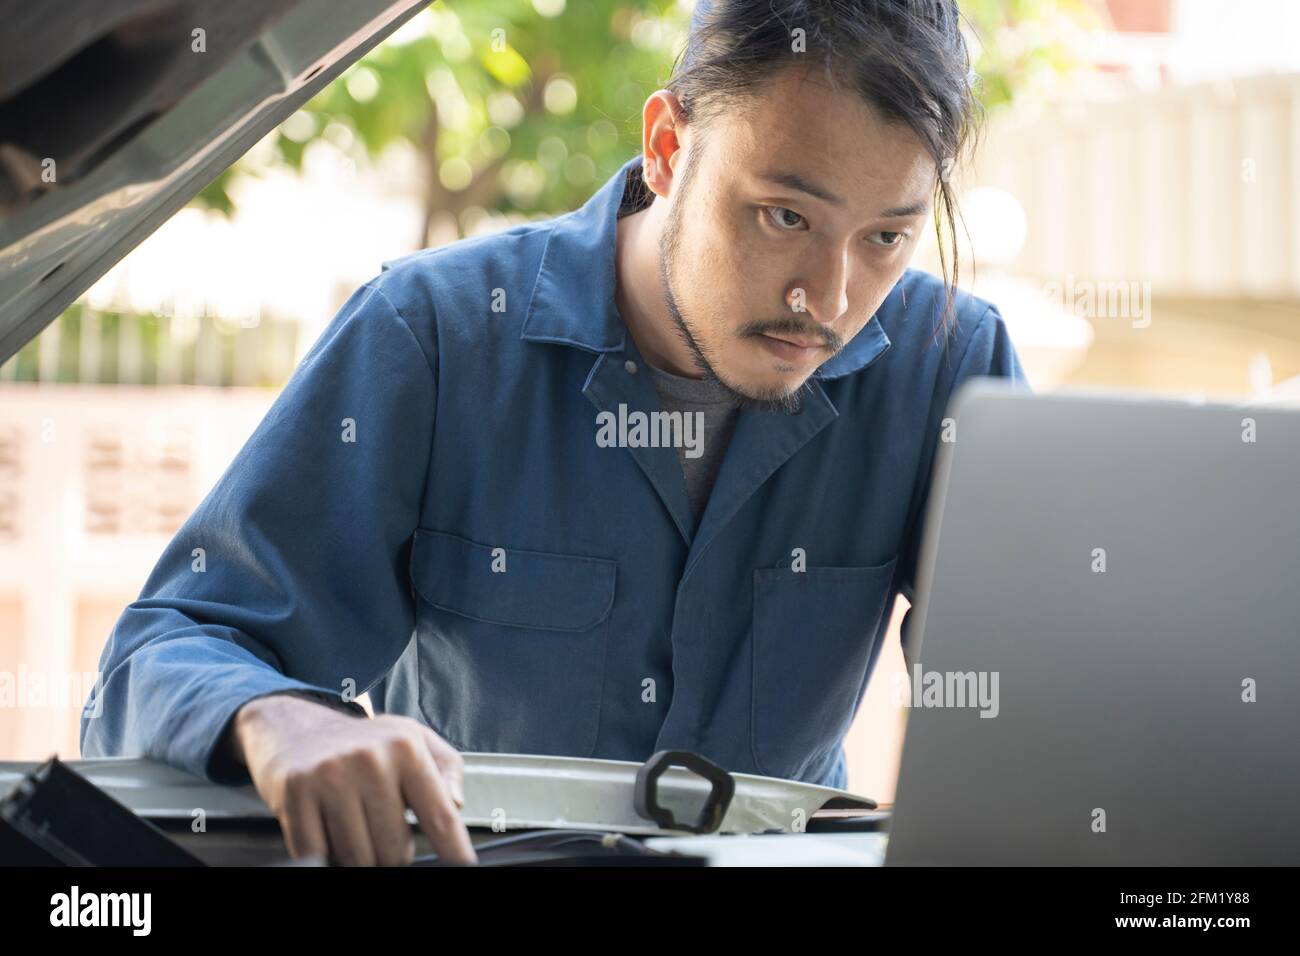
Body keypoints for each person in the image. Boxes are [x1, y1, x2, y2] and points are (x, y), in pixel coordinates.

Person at [82, 0, 1029, 866]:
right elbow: (158, 655)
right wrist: (276, 716)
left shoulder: (951, 365)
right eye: (786, 216)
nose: (825, 302)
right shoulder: (435, 335)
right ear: (667, 146)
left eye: (885, 240)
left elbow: (1040, 698)